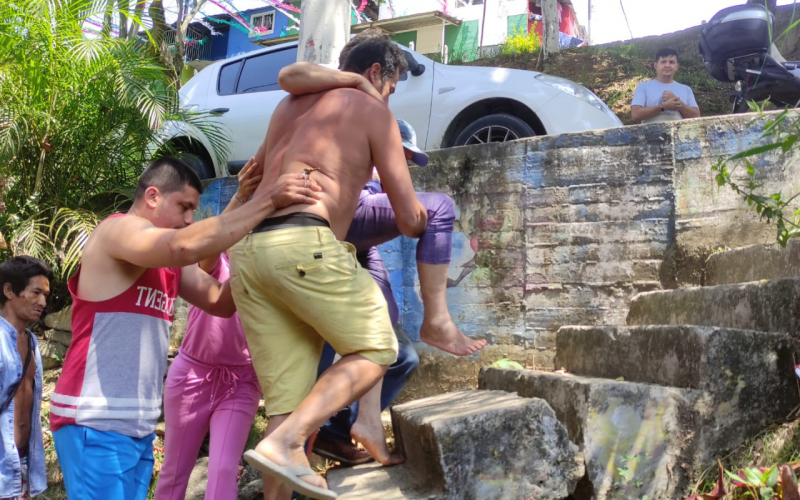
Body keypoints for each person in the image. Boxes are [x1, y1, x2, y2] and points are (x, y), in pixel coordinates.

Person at [49, 156, 321, 500]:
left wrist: (262, 255)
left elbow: (221, 302)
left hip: (137, 425)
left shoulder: (169, 265)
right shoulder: (116, 230)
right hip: (94, 420)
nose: (190, 219)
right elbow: (183, 245)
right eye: (184, 207)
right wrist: (268, 202)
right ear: (152, 197)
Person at [230, 30, 426, 500]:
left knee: (287, 404)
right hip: (303, 243)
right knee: (379, 347)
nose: (390, 96)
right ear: (377, 73)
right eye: (392, 86)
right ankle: (289, 440)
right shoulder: (374, 110)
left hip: (250, 251)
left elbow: (254, 173)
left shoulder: (288, 108)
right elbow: (406, 215)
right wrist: (425, 218)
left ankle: (284, 440)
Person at [154, 159, 264, 500]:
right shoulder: (217, 262)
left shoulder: (273, 275)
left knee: (223, 469)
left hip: (241, 382)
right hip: (191, 377)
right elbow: (211, 240)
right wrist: (242, 196)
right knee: (175, 471)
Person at [0, 256, 51, 500]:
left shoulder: (31, 341)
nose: (42, 302)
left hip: (20, 464)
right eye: (35, 292)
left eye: (46, 295)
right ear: (9, 290)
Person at [631, 48, 701, 124]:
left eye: (671, 62)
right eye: (663, 62)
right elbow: (635, 115)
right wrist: (663, 107)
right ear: (656, 66)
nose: (667, 65)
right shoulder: (643, 87)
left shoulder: (686, 89)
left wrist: (678, 102)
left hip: (679, 134)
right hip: (650, 135)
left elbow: (697, 116)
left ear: (677, 66)